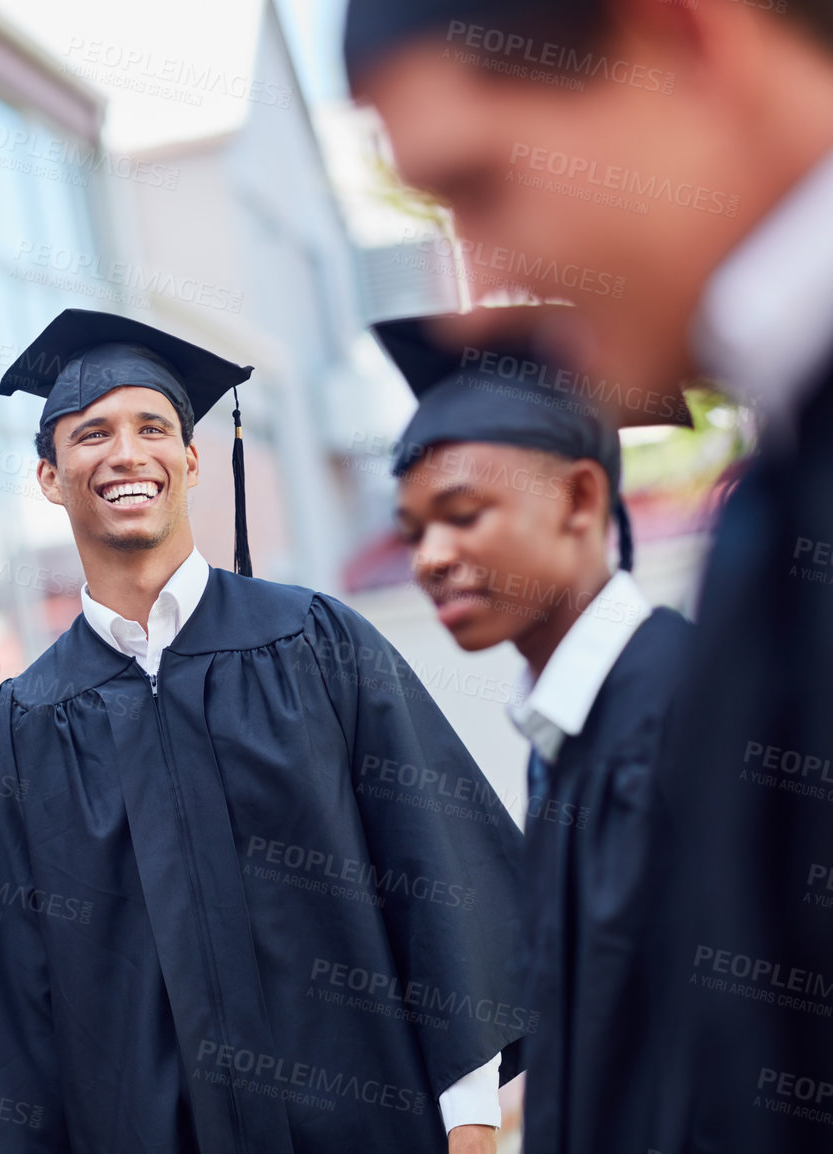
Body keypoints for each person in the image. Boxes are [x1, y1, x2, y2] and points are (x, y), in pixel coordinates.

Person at [344, 4, 833, 1150]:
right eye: (413, 528)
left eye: (482, 185)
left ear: (688, 43)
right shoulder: (768, 510)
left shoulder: (672, 707)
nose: (479, 293)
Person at [0, 308, 527, 1154]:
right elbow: (5, 988)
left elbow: (432, 868)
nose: (126, 453)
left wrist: (468, 1118)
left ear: (192, 460)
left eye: (152, 427)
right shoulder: (24, 726)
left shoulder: (317, 644)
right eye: (91, 433)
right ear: (50, 478)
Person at [382, 315, 693, 1154]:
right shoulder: (565, 734)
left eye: (462, 512)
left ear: (582, 500)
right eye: (413, 531)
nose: (430, 557)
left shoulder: (684, 716)